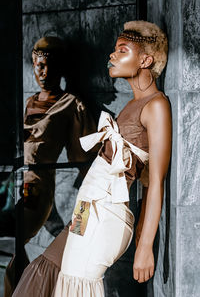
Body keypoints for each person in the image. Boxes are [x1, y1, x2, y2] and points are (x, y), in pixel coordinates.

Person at [13, 20, 171, 297]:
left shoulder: (156, 105)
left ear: (145, 60)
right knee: (41, 272)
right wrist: (80, 215)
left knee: (72, 289)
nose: (112, 55)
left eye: (122, 50)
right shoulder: (132, 106)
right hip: (87, 212)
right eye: (114, 50)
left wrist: (144, 246)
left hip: (106, 215)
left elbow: (154, 182)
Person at [4, 36, 97, 297]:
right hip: (16, 185)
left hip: (38, 189)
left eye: (48, 65)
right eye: (37, 65)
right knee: (14, 253)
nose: (42, 72)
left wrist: (83, 215)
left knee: (12, 248)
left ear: (60, 68)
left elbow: (85, 162)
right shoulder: (28, 102)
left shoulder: (70, 104)